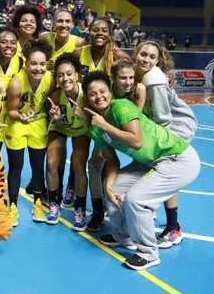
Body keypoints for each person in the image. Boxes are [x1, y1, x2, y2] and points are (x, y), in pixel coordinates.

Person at [81, 71, 200, 270]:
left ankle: (148, 253)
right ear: (87, 97)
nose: (98, 96)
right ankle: (123, 236)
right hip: (150, 162)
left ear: (110, 92)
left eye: (102, 91)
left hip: (177, 159)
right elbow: (111, 161)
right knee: (114, 189)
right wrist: (109, 186)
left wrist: (105, 126)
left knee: (137, 199)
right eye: (93, 94)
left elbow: (136, 141)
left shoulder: (122, 107)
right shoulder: (95, 128)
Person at [132, 40, 198, 248]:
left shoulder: (155, 81)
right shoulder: (137, 74)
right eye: (143, 54)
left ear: (159, 60)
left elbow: (163, 119)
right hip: (160, 127)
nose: (147, 59)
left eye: (152, 57)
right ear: (136, 54)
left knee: (166, 172)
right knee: (153, 170)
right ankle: (151, 211)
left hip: (176, 127)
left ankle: (173, 228)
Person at [74, 17, 130, 231]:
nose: (99, 33)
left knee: (98, 163)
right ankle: (95, 205)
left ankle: (101, 209)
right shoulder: (80, 53)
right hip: (84, 113)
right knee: (84, 162)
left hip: (105, 117)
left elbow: (134, 74)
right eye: (95, 29)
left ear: (110, 33)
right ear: (89, 31)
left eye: (104, 30)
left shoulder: (117, 55)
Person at [5, 40, 53, 226]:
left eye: (42, 64)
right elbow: (11, 110)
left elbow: (53, 101)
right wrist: (21, 117)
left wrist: (53, 111)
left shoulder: (50, 78)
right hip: (18, 122)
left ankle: (38, 203)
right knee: (16, 166)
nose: (38, 68)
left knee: (37, 165)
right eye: (33, 63)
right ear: (26, 64)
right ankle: (13, 206)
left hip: (38, 122)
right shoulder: (16, 82)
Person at [45, 53, 90, 230]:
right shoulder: (55, 95)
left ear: (77, 75)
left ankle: (79, 207)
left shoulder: (87, 94)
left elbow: (96, 120)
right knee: (51, 163)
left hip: (81, 130)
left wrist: (84, 116)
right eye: (61, 75)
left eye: (69, 74)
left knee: (79, 166)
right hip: (61, 128)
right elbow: (57, 123)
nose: (65, 78)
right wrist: (55, 119)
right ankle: (54, 202)